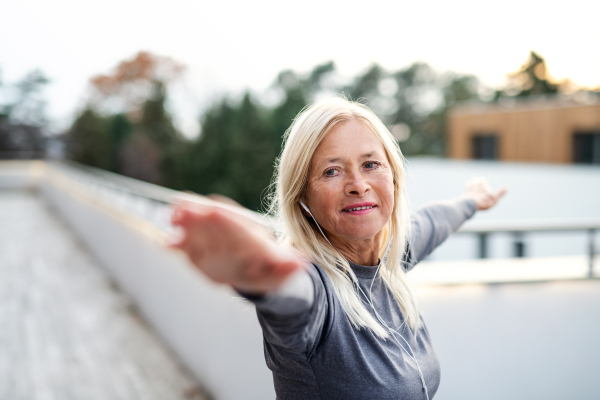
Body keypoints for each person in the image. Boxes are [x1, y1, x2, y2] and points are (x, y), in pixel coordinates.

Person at [170, 97, 507, 400]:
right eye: (332, 171)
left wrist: (473, 201)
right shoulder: (316, 287)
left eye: (371, 164)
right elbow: (294, 298)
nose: (358, 185)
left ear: (393, 175)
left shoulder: (389, 256)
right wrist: (263, 272)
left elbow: (432, 222)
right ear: (303, 196)